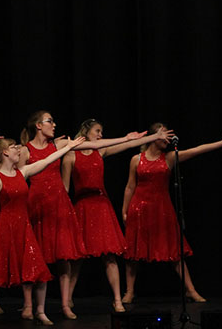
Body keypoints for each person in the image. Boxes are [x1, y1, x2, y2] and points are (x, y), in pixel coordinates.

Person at [19, 110, 148, 320]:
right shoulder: (43, 151)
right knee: (45, 257)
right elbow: (19, 177)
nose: (54, 124)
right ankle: (34, 305)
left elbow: (102, 146)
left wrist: (130, 138)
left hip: (82, 205)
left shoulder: (64, 146)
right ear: (38, 126)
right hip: (50, 206)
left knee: (77, 258)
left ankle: (76, 304)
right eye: (49, 120)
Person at [61, 119, 175, 313]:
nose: (100, 135)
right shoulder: (71, 157)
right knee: (76, 258)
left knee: (110, 256)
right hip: (82, 208)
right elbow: (64, 189)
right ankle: (68, 301)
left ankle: (117, 299)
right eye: (97, 131)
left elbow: (125, 145)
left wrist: (152, 137)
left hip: (101, 206)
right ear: (87, 132)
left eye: (101, 131)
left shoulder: (100, 151)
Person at [121, 124, 222, 304]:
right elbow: (130, 186)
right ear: (154, 136)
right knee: (134, 252)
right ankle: (129, 292)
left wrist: (220, 143)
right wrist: (124, 209)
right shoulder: (135, 159)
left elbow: (196, 150)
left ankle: (190, 290)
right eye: (164, 134)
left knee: (175, 251)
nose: (168, 138)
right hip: (139, 209)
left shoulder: (169, 158)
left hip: (162, 210)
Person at [0, 135, 85, 326]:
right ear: (5, 152)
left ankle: (40, 311)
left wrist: (67, 148)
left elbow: (46, 160)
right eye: (14, 147)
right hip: (4, 228)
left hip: (24, 228)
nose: (18, 149)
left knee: (38, 270)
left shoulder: (23, 172)